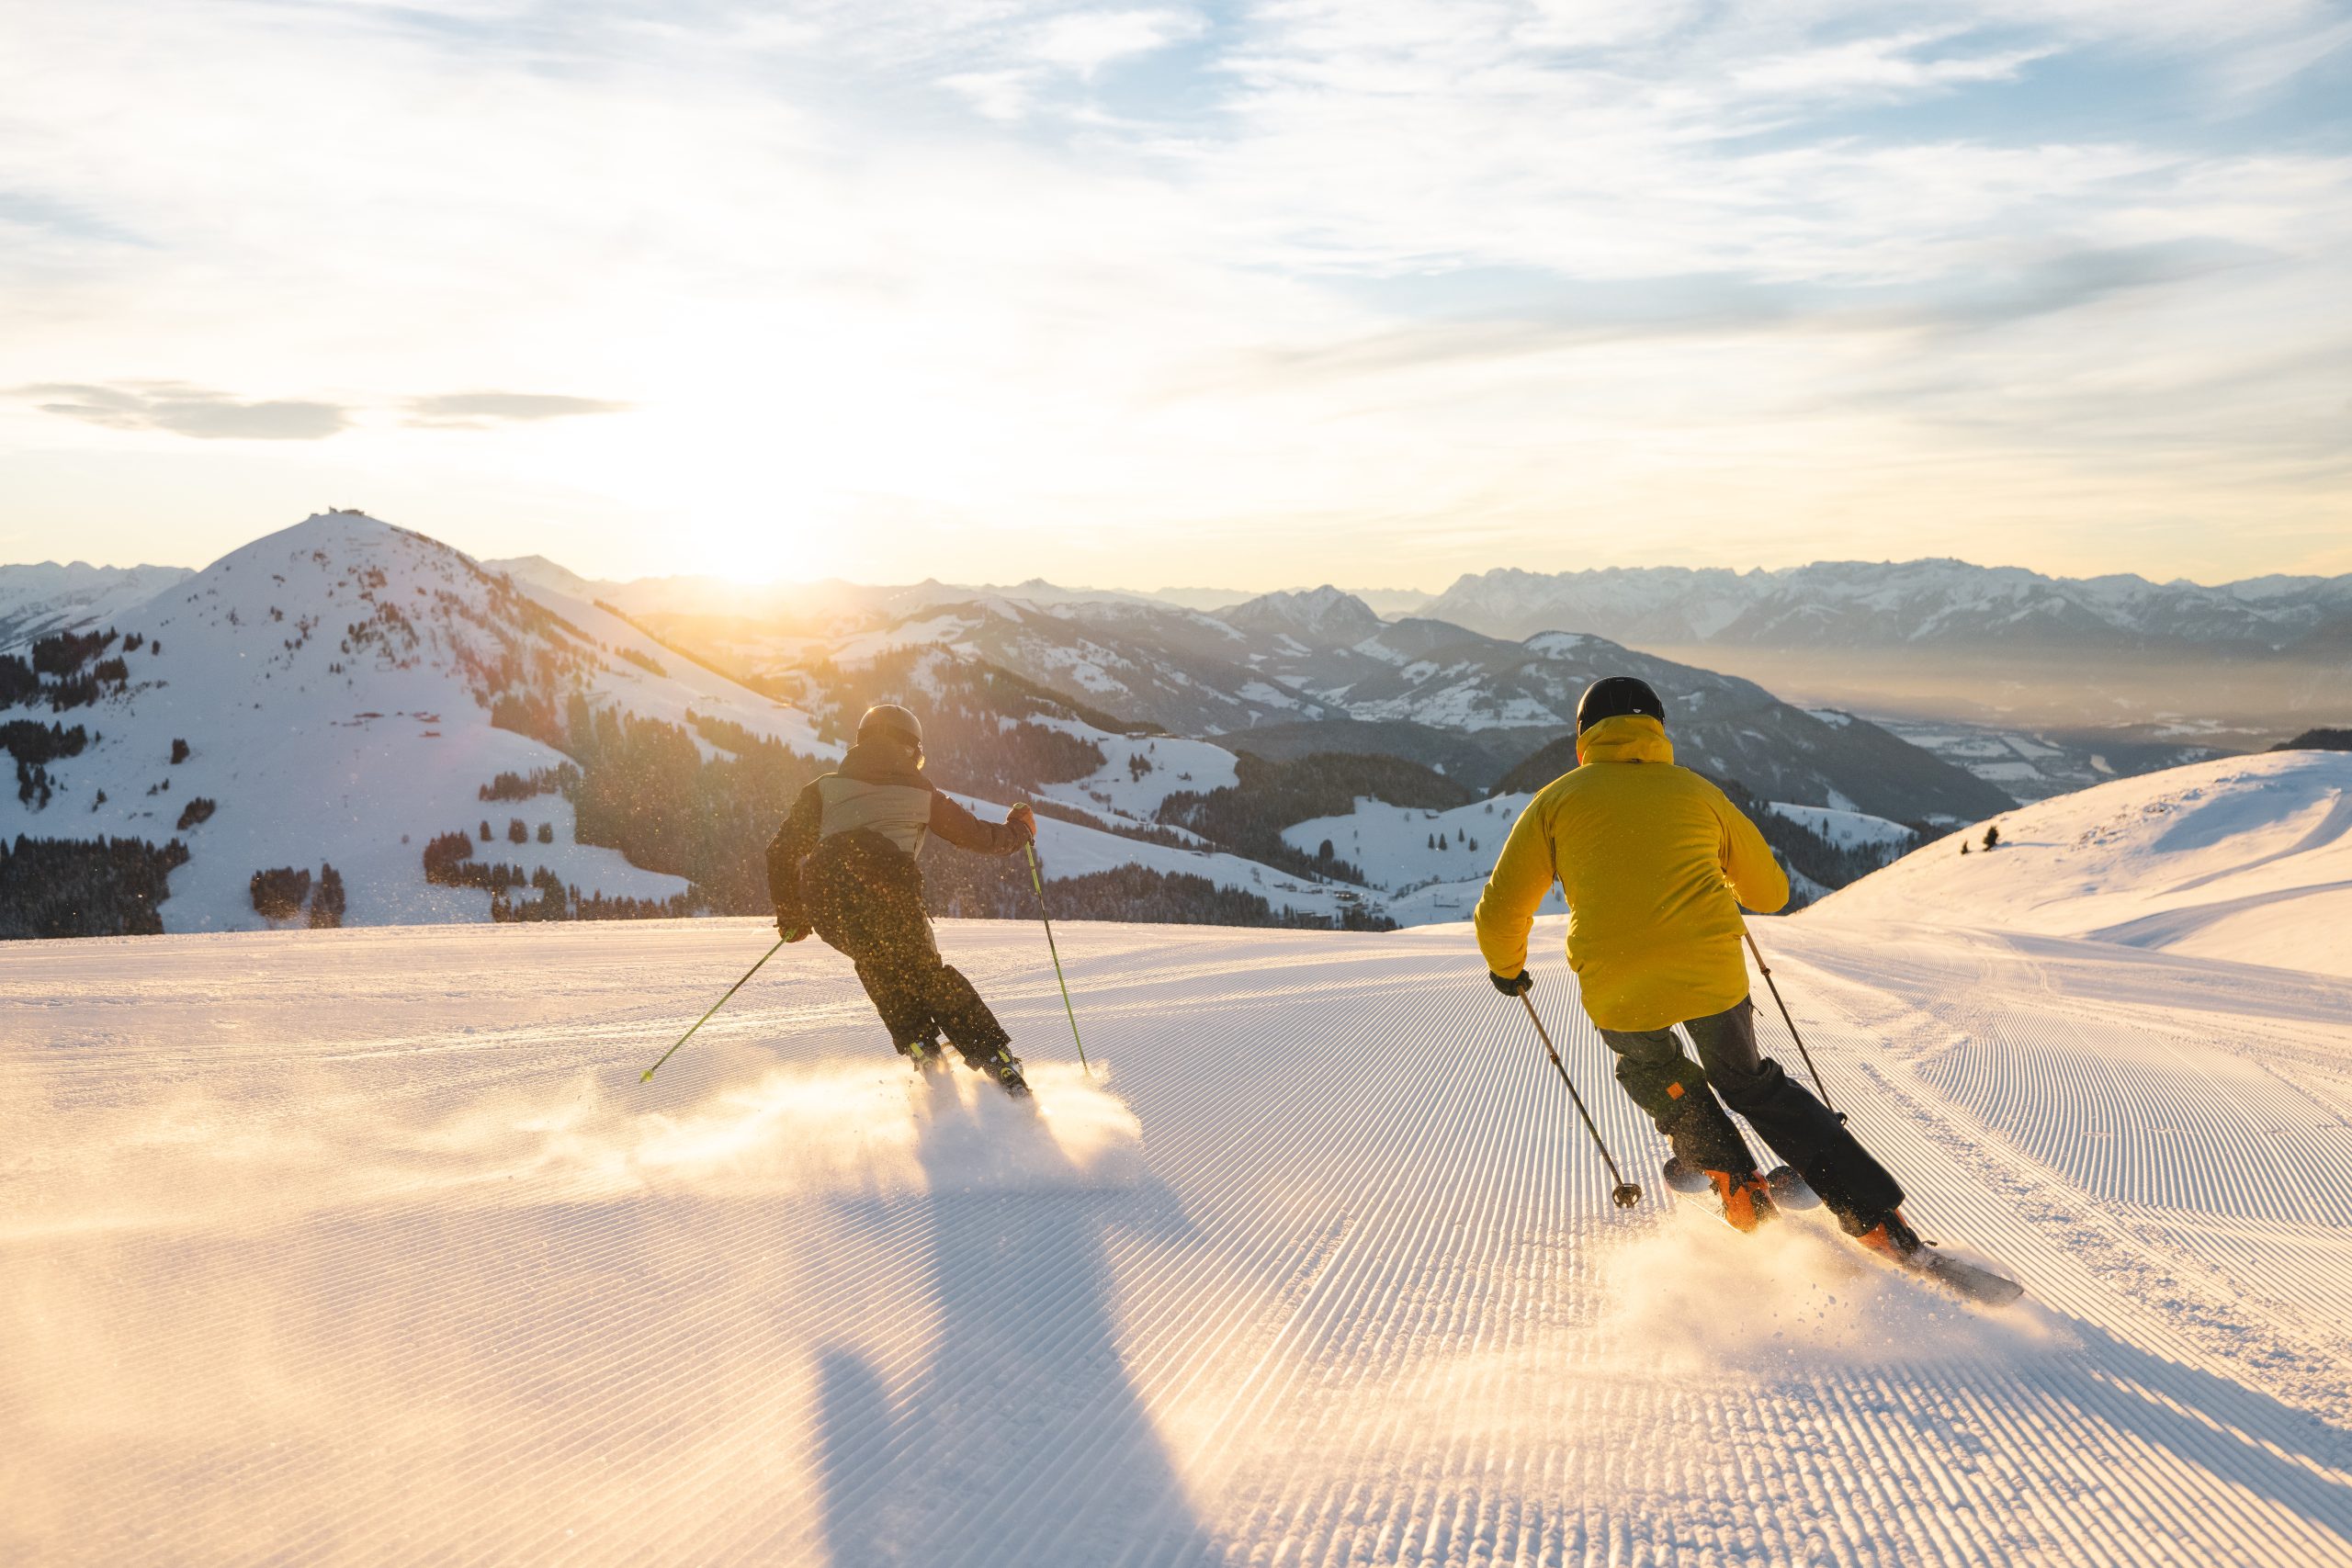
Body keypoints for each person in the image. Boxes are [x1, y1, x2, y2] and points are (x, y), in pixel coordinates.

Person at [1472, 674, 1921, 1258]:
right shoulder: (1697, 792)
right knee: (1748, 1083)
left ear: (1582, 741)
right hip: (1711, 973)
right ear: (1659, 731)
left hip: (1620, 981)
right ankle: (1873, 1218)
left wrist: (1507, 968)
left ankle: (1733, 1181)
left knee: (1656, 1072)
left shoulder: (1554, 802)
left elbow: (1501, 909)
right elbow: (1770, 893)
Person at [766, 703, 1038, 1096]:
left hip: (826, 903)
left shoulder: (823, 789)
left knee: (879, 965)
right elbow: (979, 837)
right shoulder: (920, 791)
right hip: (888, 895)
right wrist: (1020, 831)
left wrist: (792, 912)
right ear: (912, 748)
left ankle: (924, 1048)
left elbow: (781, 851)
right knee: (926, 974)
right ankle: (997, 1061)